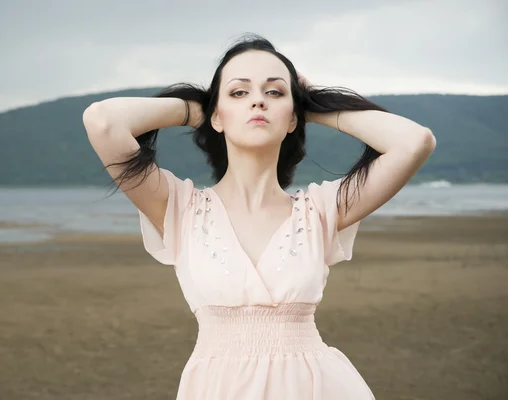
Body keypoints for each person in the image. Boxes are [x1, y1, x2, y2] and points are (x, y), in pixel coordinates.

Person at [82, 34, 436, 400]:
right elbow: (102, 121)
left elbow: (415, 141)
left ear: (292, 118)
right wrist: (198, 110)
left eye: (275, 92)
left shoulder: (320, 211)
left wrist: (311, 106)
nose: (257, 100)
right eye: (238, 92)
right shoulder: (180, 207)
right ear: (218, 116)